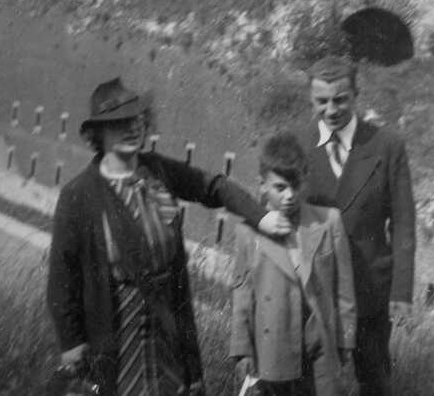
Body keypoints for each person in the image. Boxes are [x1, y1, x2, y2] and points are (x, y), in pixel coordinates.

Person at [47, 77, 292, 396]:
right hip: (116, 331)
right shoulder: (78, 195)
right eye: (120, 123)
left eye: (137, 120)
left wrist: (262, 217)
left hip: (168, 327)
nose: (133, 128)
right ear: (99, 133)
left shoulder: (158, 171)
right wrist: (71, 343)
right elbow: (61, 277)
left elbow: (214, 186)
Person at [302, 56, 416, 396]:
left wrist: (401, 292)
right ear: (311, 99)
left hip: (370, 290)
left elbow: (403, 223)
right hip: (316, 289)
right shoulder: (297, 144)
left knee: (374, 380)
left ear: (356, 95)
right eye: (322, 101)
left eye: (340, 100)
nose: (331, 110)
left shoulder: (387, 145)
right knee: (313, 381)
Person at [229, 131, 357, 396]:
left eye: (295, 186)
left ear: (304, 181)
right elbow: (242, 295)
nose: (289, 195)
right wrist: (242, 350)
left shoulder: (328, 221)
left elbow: (344, 290)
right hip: (274, 345)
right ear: (262, 185)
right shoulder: (248, 232)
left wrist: (346, 341)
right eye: (280, 188)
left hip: (320, 343)